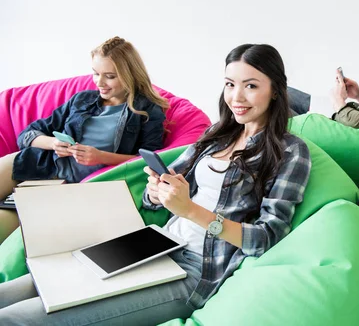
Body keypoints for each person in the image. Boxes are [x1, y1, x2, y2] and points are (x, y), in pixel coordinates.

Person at [0, 43, 311, 325]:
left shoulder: (290, 151)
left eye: (251, 86)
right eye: (230, 85)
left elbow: (266, 238)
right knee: (8, 295)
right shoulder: (217, 136)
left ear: (274, 90)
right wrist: (157, 190)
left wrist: (189, 210)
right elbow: (157, 195)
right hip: (155, 243)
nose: (236, 97)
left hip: (195, 269)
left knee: (17, 319)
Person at [0, 36, 169, 243]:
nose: (99, 82)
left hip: (70, 187)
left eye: (110, 76)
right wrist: (53, 144)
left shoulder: (147, 110)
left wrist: (100, 157)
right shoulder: (82, 99)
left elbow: (149, 160)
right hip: (37, 163)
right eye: (96, 73)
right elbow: (28, 134)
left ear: (129, 75)